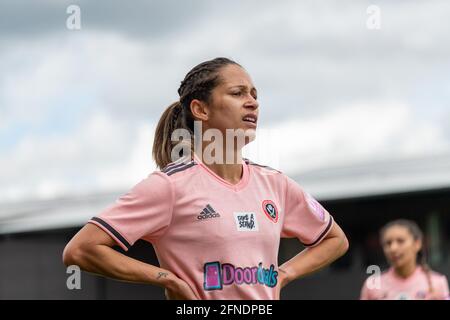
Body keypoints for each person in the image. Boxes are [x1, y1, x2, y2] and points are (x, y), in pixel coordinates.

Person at [63, 57, 349, 300]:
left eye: (255, 95)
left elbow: (335, 239)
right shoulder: (169, 186)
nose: (252, 103)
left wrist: (284, 274)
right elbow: (81, 250)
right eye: (238, 93)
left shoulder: (275, 184)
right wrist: (166, 279)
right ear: (200, 109)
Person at [360, 219, 449, 300]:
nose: (393, 248)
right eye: (388, 243)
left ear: (417, 243)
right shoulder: (372, 285)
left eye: (400, 241)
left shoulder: (437, 282)